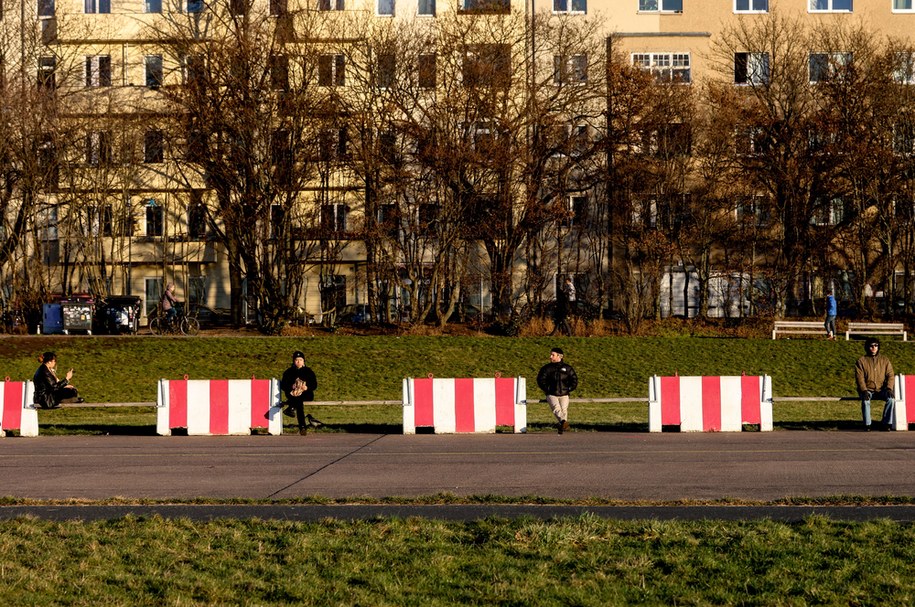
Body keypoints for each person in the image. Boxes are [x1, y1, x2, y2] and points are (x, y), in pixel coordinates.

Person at [854, 337, 895, 431]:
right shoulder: (861, 361)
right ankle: (867, 425)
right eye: (871, 346)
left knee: (891, 399)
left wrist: (889, 388)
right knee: (865, 401)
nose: (873, 348)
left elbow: (890, 375)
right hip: (867, 389)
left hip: (881, 389)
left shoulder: (885, 360)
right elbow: (859, 378)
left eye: (876, 345)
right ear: (867, 347)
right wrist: (864, 390)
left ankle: (886, 424)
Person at [280, 350, 323, 436]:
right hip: (293, 394)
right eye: (296, 360)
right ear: (293, 361)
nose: (298, 362)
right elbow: (283, 385)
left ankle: (291, 408)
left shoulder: (308, 371)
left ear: (304, 361)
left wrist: (307, 387)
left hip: (306, 394)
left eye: (300, 360)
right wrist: (291, 387)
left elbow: (314, 385)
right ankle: (302, 427)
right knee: (298, 402)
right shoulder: (288, 372)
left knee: (298, 400)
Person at [536, 347, 578, 434]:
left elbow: (574, 379)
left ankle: (561, 426)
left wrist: (569, 388)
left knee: (564, 410)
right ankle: (564, 423)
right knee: (556, 409)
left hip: (564, 394)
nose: (550, 356)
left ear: (560, 356)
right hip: (552, 394)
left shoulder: (567, 368)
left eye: (553, 355)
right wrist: (547, 389)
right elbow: (540, 380)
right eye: (551, 354)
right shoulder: (546, 368)